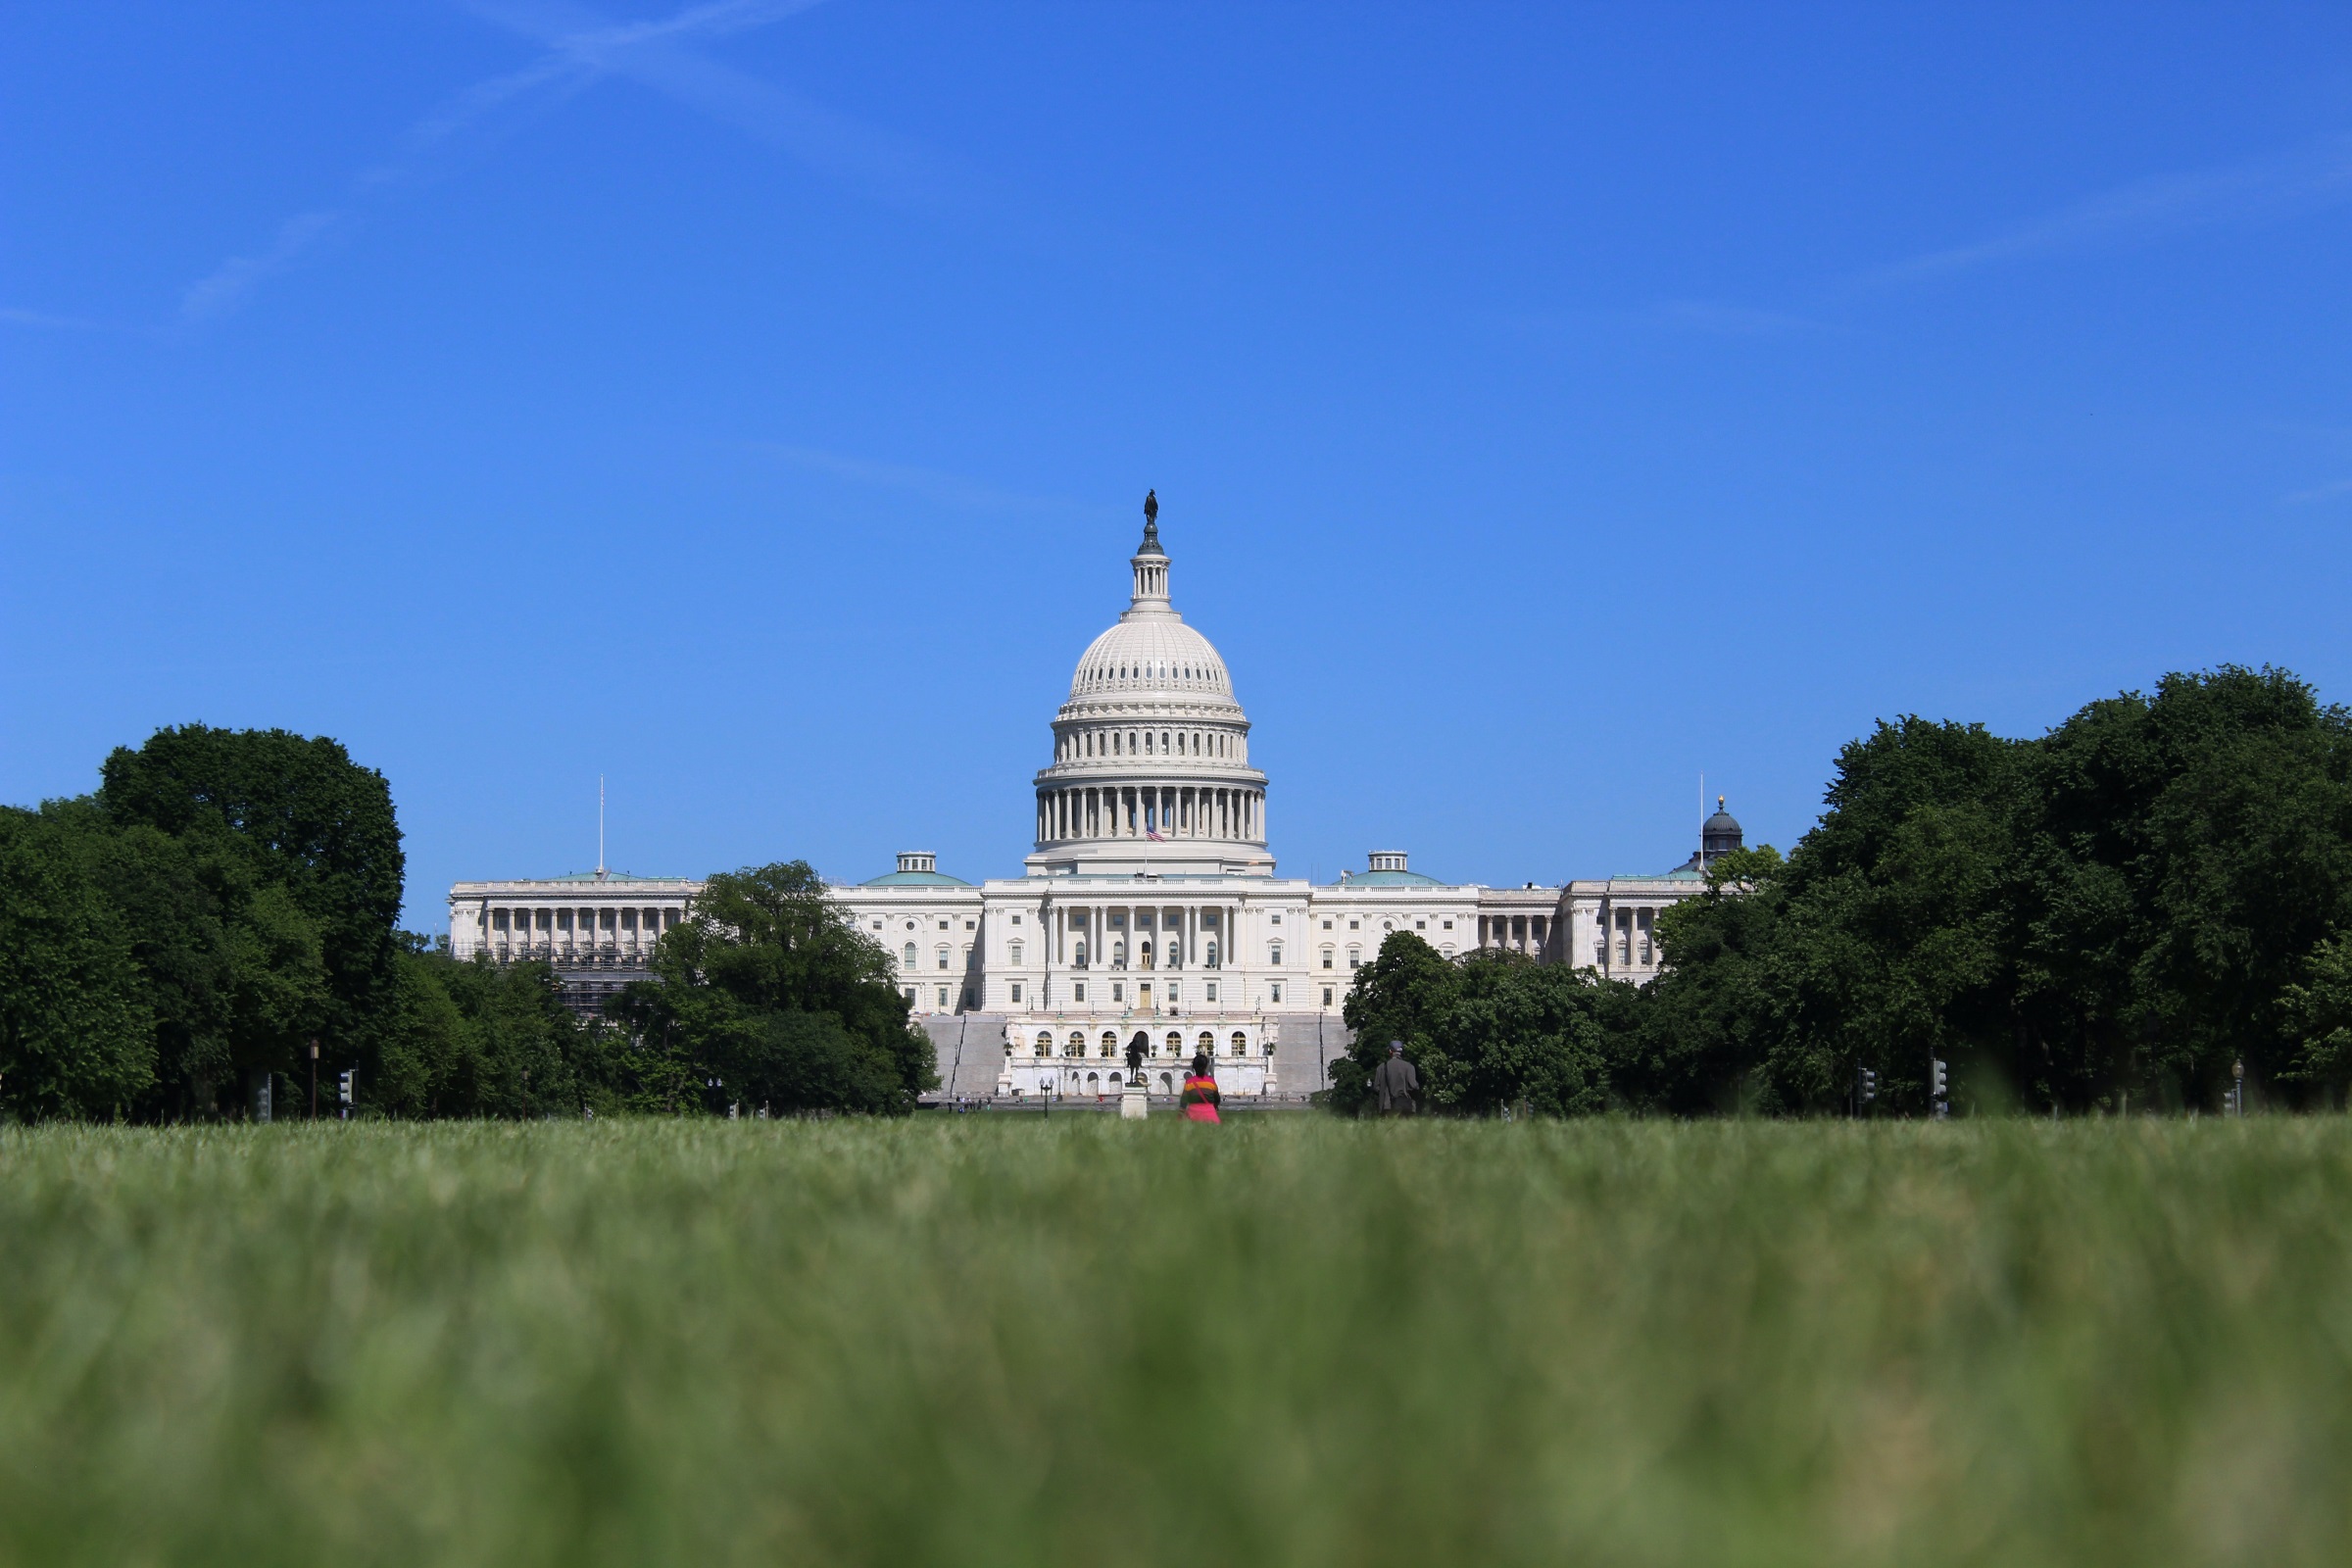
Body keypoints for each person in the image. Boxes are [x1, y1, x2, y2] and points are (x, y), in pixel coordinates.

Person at [1373, 1040, 1419, 1117]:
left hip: (1387, 1107)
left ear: (1390, 1051)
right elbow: (1413, 1086)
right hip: (1405, 1106)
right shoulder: (1409, 1067)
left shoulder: (1381, 1067)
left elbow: (1376, 1088)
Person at [1181, 1054, 1222, 1123]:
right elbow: (1217, 1099)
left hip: (1193, 1115)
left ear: (1194, 1067)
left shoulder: (1189, 1082)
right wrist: (1214, 1108)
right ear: (1206, 1067)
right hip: (1210, 1116)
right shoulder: (1211, 1082)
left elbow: (1183, 1102)